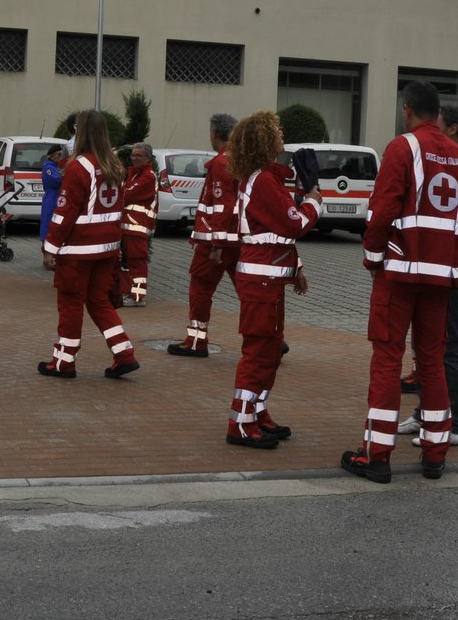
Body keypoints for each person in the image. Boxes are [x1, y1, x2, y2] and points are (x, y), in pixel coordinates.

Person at [341, 82, 458, 483]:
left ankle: (377, 454)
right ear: (438, 114)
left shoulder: (402, 148)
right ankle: (435, 452)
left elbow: (382, 209)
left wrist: (372, 257)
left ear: (407, 110)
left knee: (387, 359)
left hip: (399, 272)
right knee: (431, 361)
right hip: (441, 278)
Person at [221, 111, 319, 447]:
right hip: (262, 282)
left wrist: (297, 266)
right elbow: (293, 223)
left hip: (267, 279)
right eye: (276, 131)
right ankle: (241, 424)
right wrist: (314, 204)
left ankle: (257, 413)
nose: (282, 134)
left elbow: (274, 233)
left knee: (269, 350)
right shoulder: (263, 181)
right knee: (259, 353)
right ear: (265, 141)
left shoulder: (263, 179)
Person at [399, 103, 458, 447]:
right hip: (429, 268)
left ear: (452, 129)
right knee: (427, 345)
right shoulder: (446, 158)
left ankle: (452, 422)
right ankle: (427, 414)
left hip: (449, 271)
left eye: (436, 124)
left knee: (449, 344)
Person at [39, 109, 139, 379]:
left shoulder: (78, 166)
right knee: (99, 302)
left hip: (78, 251)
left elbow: (64, 213)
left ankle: (64, 361)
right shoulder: (115, 165)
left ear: (79, 132)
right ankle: (124, 353)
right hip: (107, 248)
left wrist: (50, 248)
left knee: (71, 303)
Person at [168, 113, 238, 357]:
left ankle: (196, 341)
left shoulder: (221, 163)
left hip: (214, 241)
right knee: (249, 291)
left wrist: (217, 240)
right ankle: (270, 339)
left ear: (214, 133)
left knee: (200, 289)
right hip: (238, 238)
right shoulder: (241, 159)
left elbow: (222, 204)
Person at [118, 142, 157, 307]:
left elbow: (126, 195)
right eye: (133, 155)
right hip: (128, 226)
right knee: (126, 262)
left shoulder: (148, 176)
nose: (134, 158)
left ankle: (138, 297)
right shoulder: (134, 174)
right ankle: (128, 292)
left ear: (147, 158)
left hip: (137, 226)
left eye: (138, 155)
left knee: (137, 262)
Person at [38, 144, 66, 248]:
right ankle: (45, 244)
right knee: (48, 220)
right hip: (51, 197)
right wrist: (63, 175)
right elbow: (57, 180)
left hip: (57, 196)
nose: (60, 157)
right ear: (52, 156)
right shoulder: (48, 168)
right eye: (58, 155)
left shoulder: (56, 167)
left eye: (61, 155)